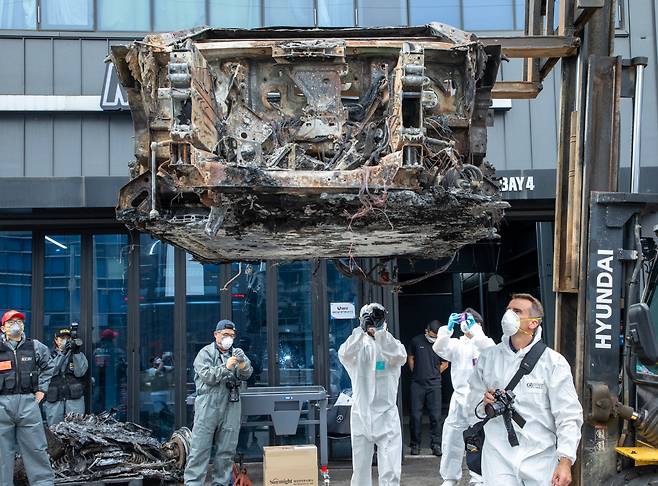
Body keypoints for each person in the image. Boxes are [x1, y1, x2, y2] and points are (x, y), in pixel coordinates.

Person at [467, 294, 583, 486]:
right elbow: (471, 404)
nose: (508, 315)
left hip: (539, 456)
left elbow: (568, 415)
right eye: (508, 310)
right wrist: (483, 402)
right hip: (498, 455)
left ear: (533, 323)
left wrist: (565, 460)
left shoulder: (553, 362)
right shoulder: (489, 358)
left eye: (517, 311)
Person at [338, 303, 407, 486]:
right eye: (369, 317)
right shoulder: (358, 347)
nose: (373, 321)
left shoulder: (390, 344)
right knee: (360, 469)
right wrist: (361, 331)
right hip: (361, 415)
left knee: (390, 469)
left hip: (386, 416)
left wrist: (380, 332)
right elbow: (343, 354)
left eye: (376, 317)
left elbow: (400, 356)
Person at [184, 319, 253, 486]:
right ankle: (193, 483)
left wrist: (243, 364)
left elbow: (247, 374)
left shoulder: (235, 354)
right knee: (200, 449)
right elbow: (208, 376)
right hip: (208, 405)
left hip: (231, 403)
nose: (229, 338)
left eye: (232, 335)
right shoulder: (205, 353)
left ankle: (221, 483)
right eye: (225, 334)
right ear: (216, 335)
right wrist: (226, 367)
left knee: (226, 450)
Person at [433, 308, 495, 486]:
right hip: (459, 398)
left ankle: (479, 478)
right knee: (452, 437)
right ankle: (450, 477)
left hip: (480, 400)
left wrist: (475, 332)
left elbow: (490, 351)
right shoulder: (457, 344)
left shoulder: (485, 343)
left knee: (480, 440)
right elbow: (440, 348)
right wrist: (446, 330)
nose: (465, 327)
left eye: (470, 323)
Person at [0, 310, 55, 486]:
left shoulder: (35, 346)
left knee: (37, 450)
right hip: (2, 405)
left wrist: (42, 390)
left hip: (28, 404)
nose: (15, 325)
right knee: (2, 454)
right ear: (3, 328)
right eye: (11, 322)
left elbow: (49, 365)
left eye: (19, 321)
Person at [407, 319, 448, 456]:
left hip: (434, 384)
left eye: (436, 336)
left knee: (436, 416)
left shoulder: (441, 344)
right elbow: (411, 358)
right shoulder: (416, 341)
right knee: (415, 415)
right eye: (432, 335)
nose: (433, 338)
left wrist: (434, 373)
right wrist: (417, 371)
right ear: (427, 330)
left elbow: (445, 363)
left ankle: (436, 445)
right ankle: (415, 445)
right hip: (417, 383)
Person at [43, 327, 88, 425]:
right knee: (54, 430)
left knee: (77, 430)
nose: (65, 341)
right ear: (56, 340)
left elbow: (80, 373)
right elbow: (51, 371)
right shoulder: (49, 355)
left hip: (74, 398)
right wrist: (63, 353)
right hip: (54, 399)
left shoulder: (78, 354)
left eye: (68, 338)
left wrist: (76, 353)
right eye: (62, 338)